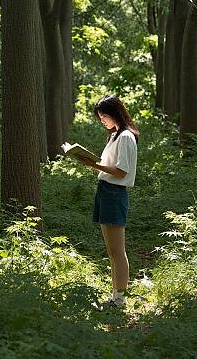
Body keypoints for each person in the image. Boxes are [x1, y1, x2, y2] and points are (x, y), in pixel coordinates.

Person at [79, 95, 139, 309]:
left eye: (103, 116)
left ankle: (120, 299)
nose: (102, 121)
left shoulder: (125, 137)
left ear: (115, 114)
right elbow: (111, 167)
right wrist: (92, 163)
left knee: (117, 250)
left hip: (114, 192)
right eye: (100, 117)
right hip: (105, 190)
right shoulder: (114, 136)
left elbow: (122, 172)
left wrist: (95, 166)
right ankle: (115, 297)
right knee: (111, 250)